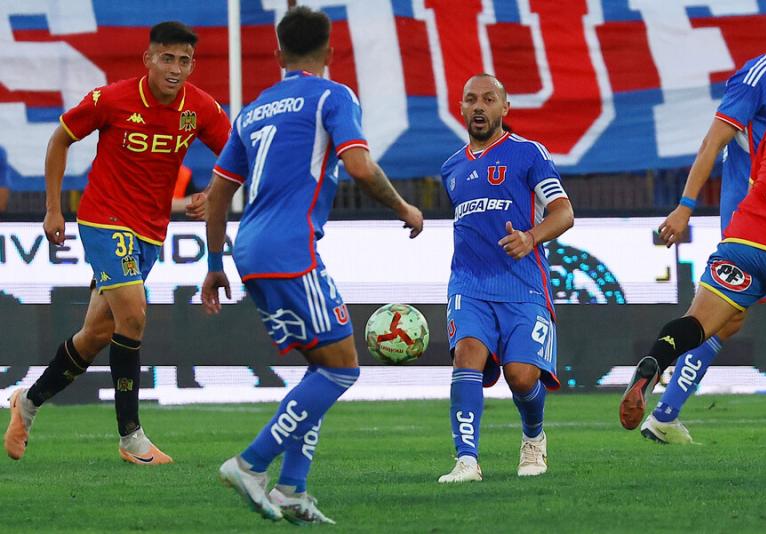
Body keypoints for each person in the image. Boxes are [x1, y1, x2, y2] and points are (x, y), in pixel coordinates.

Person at [201, 6, 423, 525]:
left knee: (322, 367)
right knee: (343, 368)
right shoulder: (333, 95)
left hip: (249, 249)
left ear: (278, 54)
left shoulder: (252, 110)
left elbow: (217, 193)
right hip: (291, 249)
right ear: (330, 52)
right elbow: (359, 165)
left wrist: (213, 262)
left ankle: (292, 488)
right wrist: (403, 207)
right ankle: (251, 464)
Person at [3, 21, 231, 464]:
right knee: (135, 314)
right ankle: (131, 436)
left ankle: (26, 403)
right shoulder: (111, 99)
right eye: (167, 58)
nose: (175, 69)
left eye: (184, 61)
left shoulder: (200, 108)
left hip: (151, 231)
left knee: (97, 334)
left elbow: (235, 154)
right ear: (148, 59)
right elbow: (60, 139)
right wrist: (53, 208)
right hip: (103, 219)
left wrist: (213, 191)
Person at [642, 0, 766, 444]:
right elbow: (712, 143)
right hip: (754, 221)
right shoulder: (756, 78)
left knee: (728, 321)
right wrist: (685, 206)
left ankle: (664, 413)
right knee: (724, 317)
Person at [620, 101, 766, 476]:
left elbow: (759, 177)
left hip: (744, 240)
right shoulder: (759, 82)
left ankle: (655, 362)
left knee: (696, 323)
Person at [437, 74, 574, 483]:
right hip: (469, 286)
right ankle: (466, 460)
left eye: (488, 99)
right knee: (466, 356)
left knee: (521, 376)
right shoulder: (451, 168)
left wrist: (531, 237)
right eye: (471, 99)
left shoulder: (528, 154)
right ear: (461, 108)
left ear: (505, 107)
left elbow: (564, 213)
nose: (479, 106)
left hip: (523, 286)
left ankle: (533, 436)